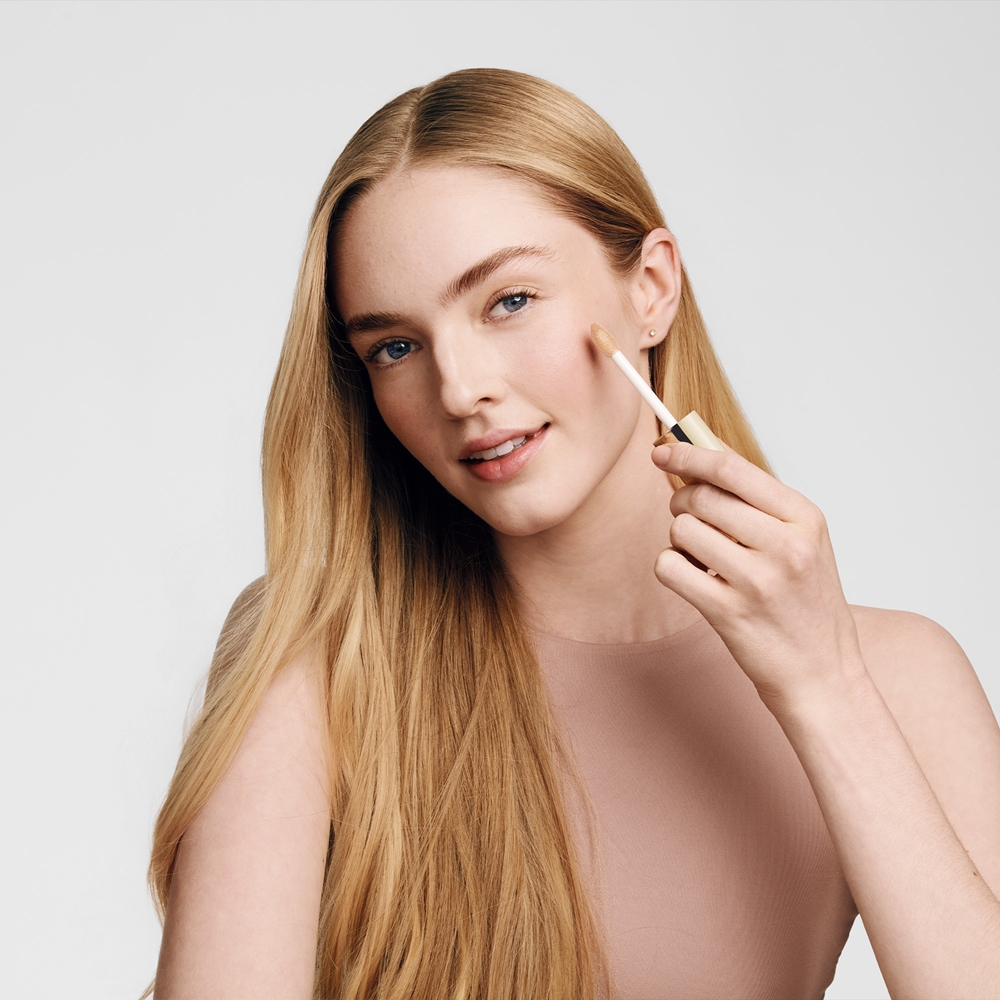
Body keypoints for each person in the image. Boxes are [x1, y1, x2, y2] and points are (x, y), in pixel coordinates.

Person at [148, 68, 1000, 1000]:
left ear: (652, 288)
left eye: (509, 301)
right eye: (395, 346)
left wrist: (825, 686)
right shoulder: (317, 655)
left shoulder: (897, 678)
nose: (459, 387)